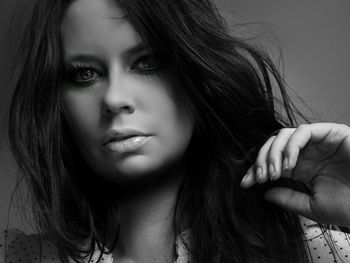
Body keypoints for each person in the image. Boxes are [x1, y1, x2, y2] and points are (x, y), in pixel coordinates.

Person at [1, 0, 350, 262]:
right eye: (84, 74)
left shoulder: (309, 250)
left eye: (146, 62)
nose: (115, 99)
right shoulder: (20, 256)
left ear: (196, 77)